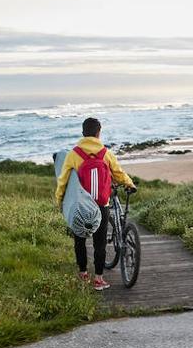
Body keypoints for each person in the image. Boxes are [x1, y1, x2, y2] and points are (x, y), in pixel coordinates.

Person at [54, 117, 136, 290]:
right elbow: (119, 174)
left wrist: (60, 201)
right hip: (101, 203)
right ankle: (99, 279)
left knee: (80, 240)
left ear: (83, 133)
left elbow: (63, 181)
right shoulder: (106, 153)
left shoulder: (73, 154)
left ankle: (83, 273)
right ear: (99, 133)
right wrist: (130, 184)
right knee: (100, 243)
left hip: (81, 206)